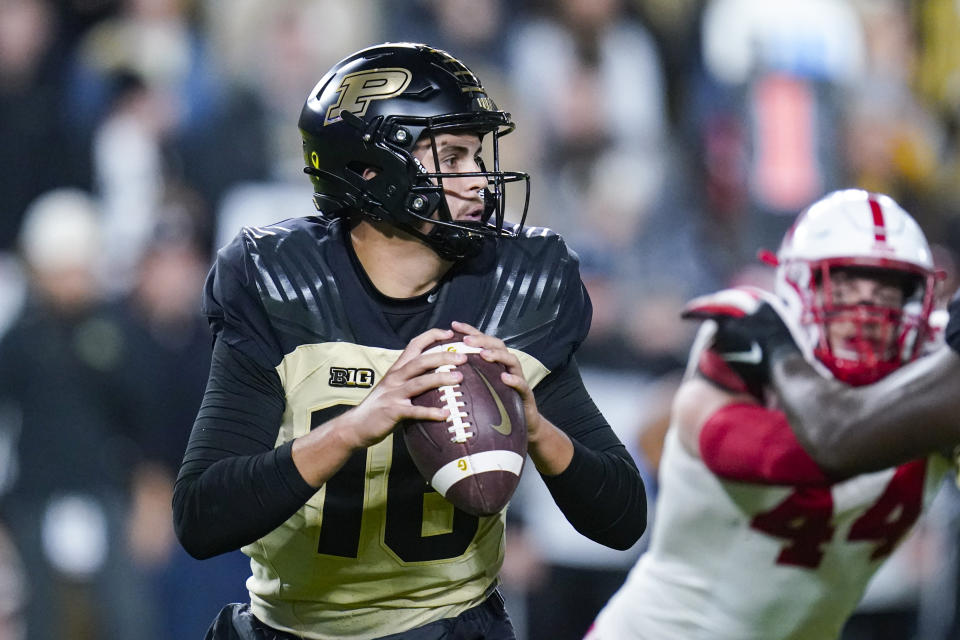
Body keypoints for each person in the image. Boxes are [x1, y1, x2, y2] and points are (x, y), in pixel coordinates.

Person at [172, 42, 646, 640]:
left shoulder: (516, 287)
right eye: (453, 156)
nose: (479, 181)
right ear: (372, 170)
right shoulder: (283, 286)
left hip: (451, 626)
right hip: (294, 628)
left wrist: (541, 433)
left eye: (477, 155)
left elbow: (624, 516)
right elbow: (200, 518)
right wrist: (351, 427)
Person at [587, 189, 954, 639]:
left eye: (886, 291)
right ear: (799, 288)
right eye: (844, 285)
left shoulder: (930, 380)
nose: (865, 311)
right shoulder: (743, 354)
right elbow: (799, 452)